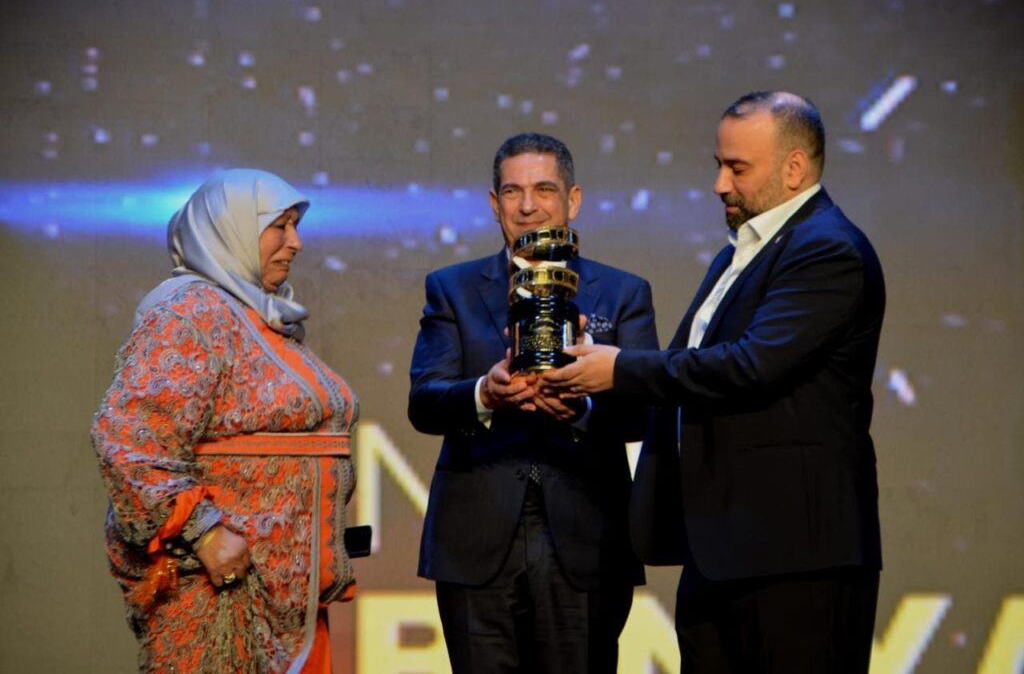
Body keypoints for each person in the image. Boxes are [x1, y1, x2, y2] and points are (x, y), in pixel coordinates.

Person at [544, 92, 885, 673]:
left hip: (796, 559)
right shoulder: (744, 252)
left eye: (737, 168)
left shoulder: (828, 250)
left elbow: (749, 366)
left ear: (794, 168)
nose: (719, 184)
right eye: (718, 165)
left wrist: (619, 368)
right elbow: (699, 364)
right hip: (724, 552)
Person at [408, 133, 659, 673]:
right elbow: (424, 402)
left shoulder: (623, 293)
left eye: (544, 189)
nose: (528, 206)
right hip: (477, 540)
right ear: (494, 203)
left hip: (586, 538)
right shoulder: (451, 288)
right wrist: (484, 393)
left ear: (573, 200)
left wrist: (584, 406)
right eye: (512, 191)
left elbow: (644, 413)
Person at [92, 169, 358, 672]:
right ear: (231, 229)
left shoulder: (258, 315)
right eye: (279, 226)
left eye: (296, 225)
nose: (296, 242)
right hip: (220, 595)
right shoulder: (190, 314)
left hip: (281, 599)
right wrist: (205, 533)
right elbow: (128, 439)